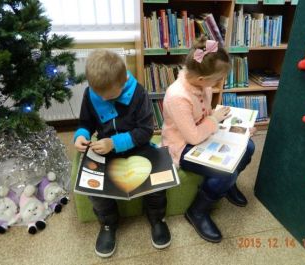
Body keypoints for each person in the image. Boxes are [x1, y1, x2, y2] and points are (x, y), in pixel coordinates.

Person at [74, 49, 171, 257]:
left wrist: (115, 142)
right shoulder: (92, 93)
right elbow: (85, 123)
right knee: (95, 189)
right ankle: (108, 223)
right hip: (105, 149)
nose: (102, 98)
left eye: (109, 95)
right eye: (98, 94)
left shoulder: (138, 92)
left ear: (124, 80)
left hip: (138, 146)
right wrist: (80, 136)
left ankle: (157, 218)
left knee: (156, 184)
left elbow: (145, 131)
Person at [162, 37, 255, 243]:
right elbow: (193, 136)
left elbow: (205, 114)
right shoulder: (177, 96)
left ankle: (226, 185)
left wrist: (241, 129)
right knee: (226, 169)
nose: (218, 84)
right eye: (216, 80)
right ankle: (197, 211)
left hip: (204, 134)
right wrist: (213, 119)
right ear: (202, 79)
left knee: (248, 146)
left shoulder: (203, 85)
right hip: (182, 146)